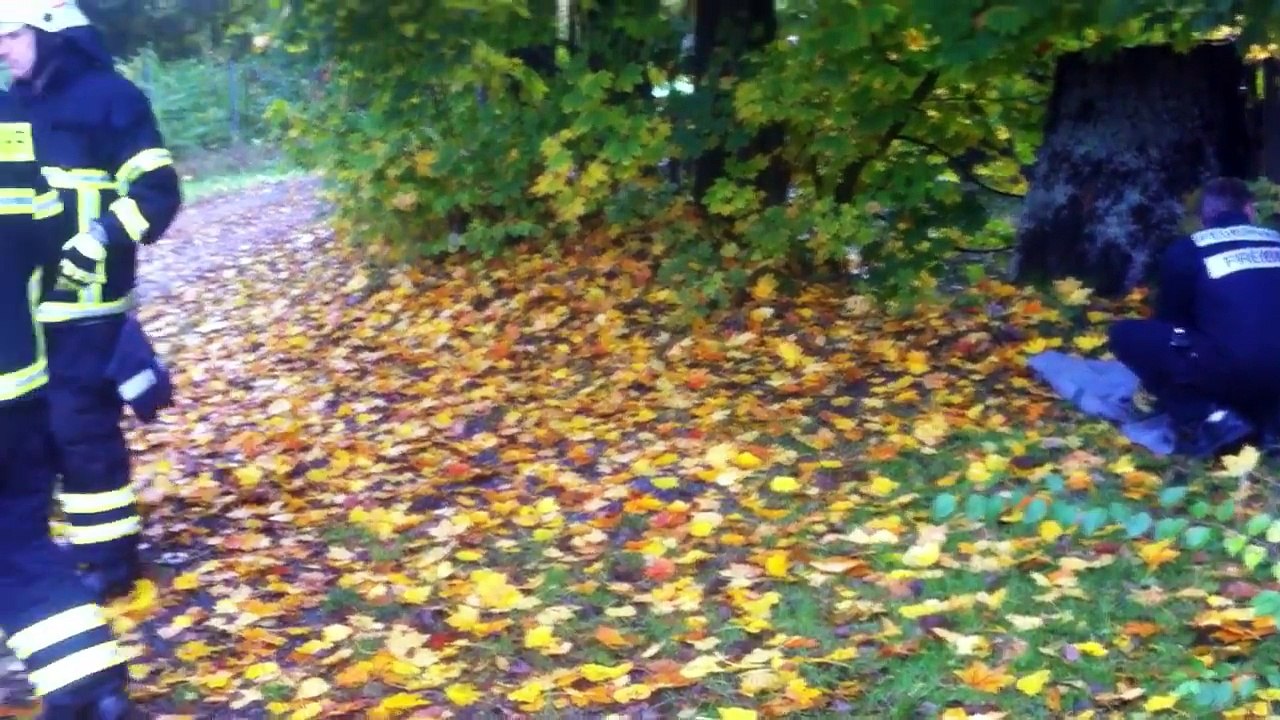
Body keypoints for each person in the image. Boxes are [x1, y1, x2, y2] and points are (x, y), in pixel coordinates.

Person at [0, 1, 182, 602]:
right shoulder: (9, 109)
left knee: (79, 428)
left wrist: (102, 238)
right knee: (31, 437)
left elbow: (157, 192)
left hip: (86, 305)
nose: (1, 49)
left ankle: (109, 559)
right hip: (19, 316)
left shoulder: (112, 98)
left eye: (12, 34)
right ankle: (46, 558)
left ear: (52, 32)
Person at [0, 91, 136, 719]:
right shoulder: (11, 118)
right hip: (19, 379)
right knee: (19, 539)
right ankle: (91, 682)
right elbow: (48, 232)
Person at [1108, 176, 1280, 458]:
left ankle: (1210, 418)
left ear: (1203, 218)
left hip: (1234, 370)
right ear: (1250, 210)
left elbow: (1172, 324)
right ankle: (1271, 421)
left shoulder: (1188, 250)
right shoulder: (1275, 240)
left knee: (1129, 335)